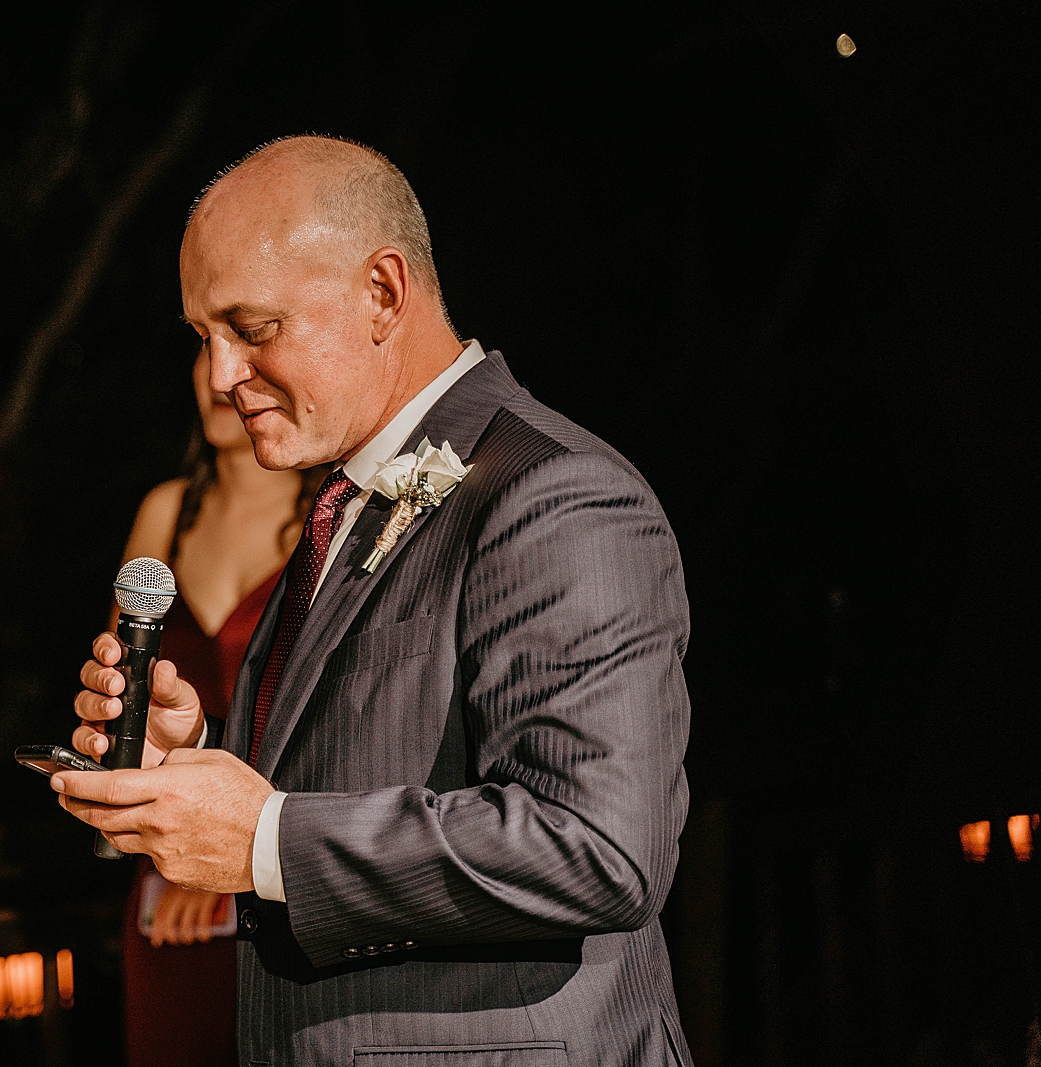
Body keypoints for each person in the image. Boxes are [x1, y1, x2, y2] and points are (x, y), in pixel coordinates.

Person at [55, 135, 695, 1065]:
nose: (221, 375)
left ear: (383, 293)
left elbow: (597, 847)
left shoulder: (559, 495)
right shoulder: (343, 501)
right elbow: (371, 757)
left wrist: (266, 841)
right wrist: (200, 752)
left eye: (253, 327)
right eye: (203, 337)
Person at [117, 348, 326, 1067]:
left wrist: (235, 864)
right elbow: (126, 696)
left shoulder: (332, 514)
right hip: (165, 863)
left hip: (282, 858)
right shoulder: (166, 511)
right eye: (201, 347)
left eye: (242, 345)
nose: (217, 375)